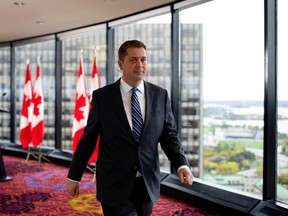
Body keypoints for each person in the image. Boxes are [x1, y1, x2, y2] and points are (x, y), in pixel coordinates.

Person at [66, 40, 193, 216]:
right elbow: (88, 139)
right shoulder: (103, 97)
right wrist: (74, 175)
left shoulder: (160, 95)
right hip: (114, 184)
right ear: (120, 63)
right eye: (133, 60)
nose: (139, 65)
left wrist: (181, 164)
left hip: (148, 184)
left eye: (143, 59)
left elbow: (169, 136)